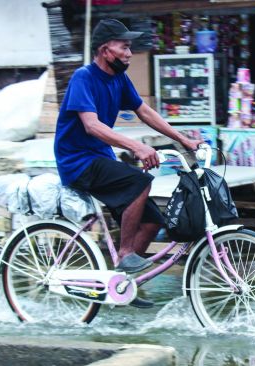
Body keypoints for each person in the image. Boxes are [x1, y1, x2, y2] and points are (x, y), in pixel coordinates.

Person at [54, 19, 202, 307]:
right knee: (139, 181)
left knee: (151, 221)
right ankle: (124, 254)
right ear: (105, 49)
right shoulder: (83, 78)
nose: (129, 53)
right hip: (77, 161)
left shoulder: (119, 78)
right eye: (124, 47)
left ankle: (122, 285)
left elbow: (144, 111)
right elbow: (92, 126)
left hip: (100, 158)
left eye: (129, 47)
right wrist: (135, 146)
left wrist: (182, 139)